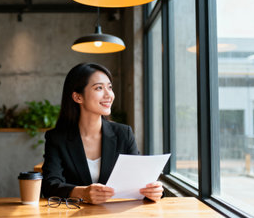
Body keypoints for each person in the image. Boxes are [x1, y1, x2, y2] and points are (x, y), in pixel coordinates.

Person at [41, 62, 164, 204]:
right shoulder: (57, 138)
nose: (109, 95)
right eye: (99, 88)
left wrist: (155, 191)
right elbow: (49, 185)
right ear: (78, 97)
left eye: (109, 87)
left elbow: (138, 180)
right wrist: (83, 192)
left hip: (115, 217)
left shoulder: (123, 134)